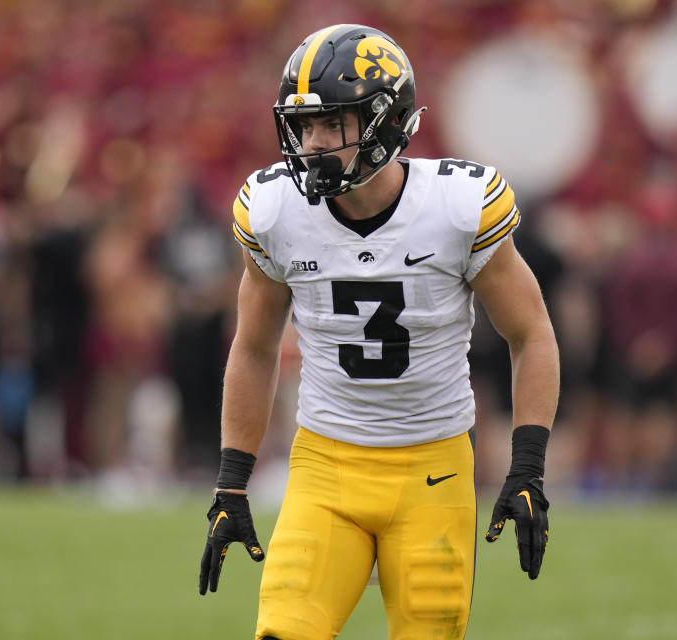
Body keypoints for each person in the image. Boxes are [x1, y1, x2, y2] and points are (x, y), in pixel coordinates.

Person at [197, 25, 560, 640]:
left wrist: (527, 469)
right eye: (304, 125)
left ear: (384, 121)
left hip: (433, 472)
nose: (312, 142)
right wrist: (232, 481)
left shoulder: (455, 207)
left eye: (332, 124)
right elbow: (254, 347)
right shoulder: (276, 211)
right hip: (324, 467)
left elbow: (533, 335)